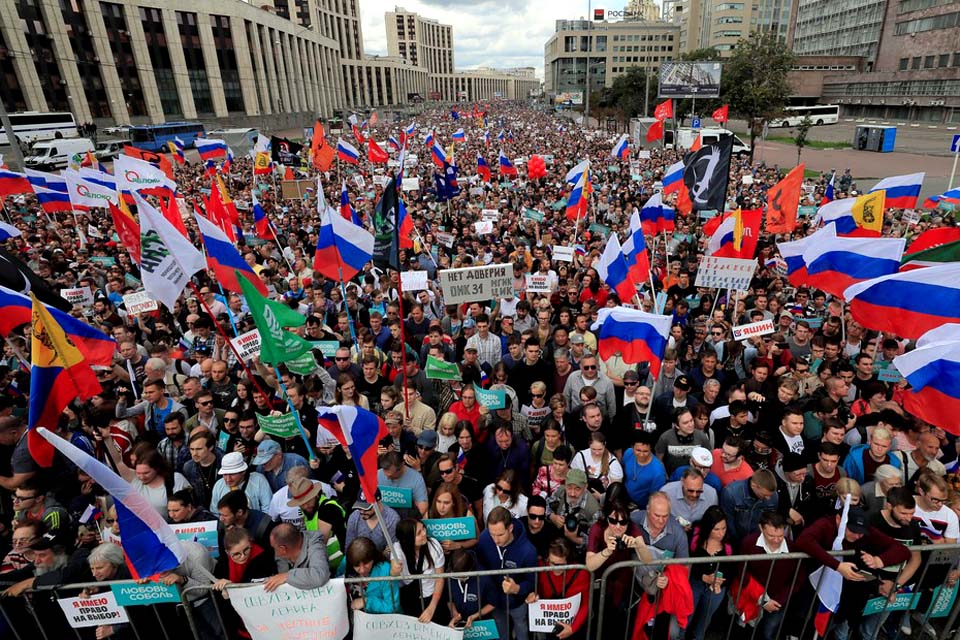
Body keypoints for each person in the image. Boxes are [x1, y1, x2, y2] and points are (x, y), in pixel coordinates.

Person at [795, 504, 910, 639]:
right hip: (815, 588)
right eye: (852, 530)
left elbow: (902, 550)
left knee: (837, 626)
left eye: (861, 532)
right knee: (809, 625)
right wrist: (837, 566)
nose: (857, 536)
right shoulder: (825, 525)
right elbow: (804, 540)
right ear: (839, 519)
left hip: (848, 596)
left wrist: (879, 560)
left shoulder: (867, 532)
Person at [737, 511, 804, 640]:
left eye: (780, 536)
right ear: (761, 528)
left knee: (769, 632)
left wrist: (779, 600)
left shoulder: (792, 547)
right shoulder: (749, 543)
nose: (776, 540)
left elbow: (798, 578)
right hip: (752, 597)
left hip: (778, 602)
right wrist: (762, 599)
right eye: (771, 536)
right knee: (746, 629)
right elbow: (742, 571)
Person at [476, 506, 538, 640]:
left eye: (500, 535)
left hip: (518, 601)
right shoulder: (484, 539)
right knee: (500, 633)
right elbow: (479, 567)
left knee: (521, 629)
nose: (495, 540)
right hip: (494, 602)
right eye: (492, 534)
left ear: (510, 528)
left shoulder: (528, 550)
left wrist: (517, 588)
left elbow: (532, 581)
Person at [212, 527, 277, 636]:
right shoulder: (222, 564)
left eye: (246, 549)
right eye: (236, 554)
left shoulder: (264, 557)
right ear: (227, 552)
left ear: (250, 542)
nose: (243, 556)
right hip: (237, 620)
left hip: (263, 617)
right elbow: (216, 592)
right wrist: (220, 587)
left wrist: (233, 589)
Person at [527, 538, 591, 640]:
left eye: (560, 564)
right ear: (548, 558)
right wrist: (534, 595)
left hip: (574, 625)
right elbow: (536, 588)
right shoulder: (541, 566)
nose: (555, 568)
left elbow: (586, 604)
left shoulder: (582, 573)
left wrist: (573, 628)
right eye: (552, 563)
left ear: (568, 561)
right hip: (550, 624)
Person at [686, 506, 731, 640]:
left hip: (716, 588)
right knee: (686, 615)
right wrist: (702, 576)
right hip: (695, 583)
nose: (721, 533)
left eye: (723, 528)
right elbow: (688, 562)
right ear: (708, 527)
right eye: (716, 529)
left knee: (706, 618)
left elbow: (732, 568)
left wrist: (721, 582)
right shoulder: (695, 538)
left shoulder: (729, 543)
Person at [286, 476, 346, 571]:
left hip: (342, 565)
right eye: (301, 503)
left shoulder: (328, 509)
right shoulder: (309, 511)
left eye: (308, 500)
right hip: (326, 565)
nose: (305, 506)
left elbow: (319, 543)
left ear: (317, 495)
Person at [392, 518, 446, 623]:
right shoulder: (398, 548)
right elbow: (394, 568)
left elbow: (440, 579)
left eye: (423, 529)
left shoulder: (433, 545)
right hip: (410, 598)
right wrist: (395, 569)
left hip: (433, 596)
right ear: (408, 539)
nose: (424, 533)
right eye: (418, 533)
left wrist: (431, 608)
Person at [343, 537, 402, 613]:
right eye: (357, 566)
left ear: (373, 558)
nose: (362, 570)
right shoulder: (345, 563)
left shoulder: (385, 570)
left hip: (379, 621)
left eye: (366, 563)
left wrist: (367, 602)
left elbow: (392, 607)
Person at [266, 522, 330, 591]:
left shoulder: (314, 546)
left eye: (274, 548)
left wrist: (287, 576)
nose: (274, 551)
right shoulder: (283, 550)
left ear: (283, 549)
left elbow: (319, 576)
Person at [720, 469, 779, 541]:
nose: (768, 498)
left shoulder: (774, 497)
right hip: (736, 539)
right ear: (754, 486)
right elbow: (728, 522)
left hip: (760, 540)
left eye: (770, 495)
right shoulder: (730, 493)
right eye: (765, 495)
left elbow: (771, 522)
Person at [622, 431, 666, 510]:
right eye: (638, 450)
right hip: (624, 497)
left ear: (651, 449)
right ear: (632, 447)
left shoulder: (658, 472)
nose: (641, 454)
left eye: (645, 451)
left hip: (641, 507)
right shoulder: (628, 453)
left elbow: (654, 497)